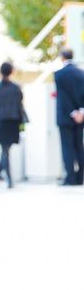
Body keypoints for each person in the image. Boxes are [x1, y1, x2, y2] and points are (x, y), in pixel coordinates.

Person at [0, 61, 24, 188]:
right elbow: (20, 104)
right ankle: (8, 179)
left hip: (1, 120)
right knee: (6, 150)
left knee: (5, 150)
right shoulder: (16, 87)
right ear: (11, 71)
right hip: (13, 121)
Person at [54, 48, 84, 186]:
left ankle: (70, 178)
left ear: (62, 57)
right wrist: (81, 112)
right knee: (79, 146)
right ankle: (80, 178)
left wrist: (73, 112)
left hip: (66, 117)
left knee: (67, 147)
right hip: (81, 117)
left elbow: (63, 97)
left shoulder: (59, 75)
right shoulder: (81, 73)